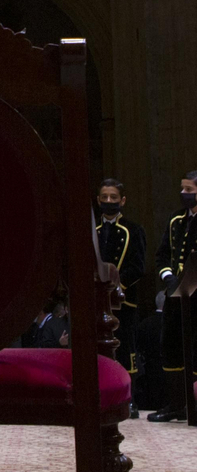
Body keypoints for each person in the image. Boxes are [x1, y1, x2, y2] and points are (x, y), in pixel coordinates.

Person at [147, 171, 197, 422]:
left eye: (189, 190)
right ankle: (177, 404)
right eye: (183, 189)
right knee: (171, 346)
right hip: (176, 294)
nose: (184, 194)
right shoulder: (176, 220)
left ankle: (195, 405)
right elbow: (162, 255)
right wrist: (168, 278)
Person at [95, 178, 146, 416]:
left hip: (123, 299)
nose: (108, 202)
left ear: (122, 201)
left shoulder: (133, 230)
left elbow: (138, 266)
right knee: (98, 348)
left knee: (126, 348)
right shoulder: (92, 230)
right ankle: (100, 395)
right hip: (96, 301)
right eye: (104, 197)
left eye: (113, 198)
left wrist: (117, 286)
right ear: (98, 200)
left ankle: (129, 398)